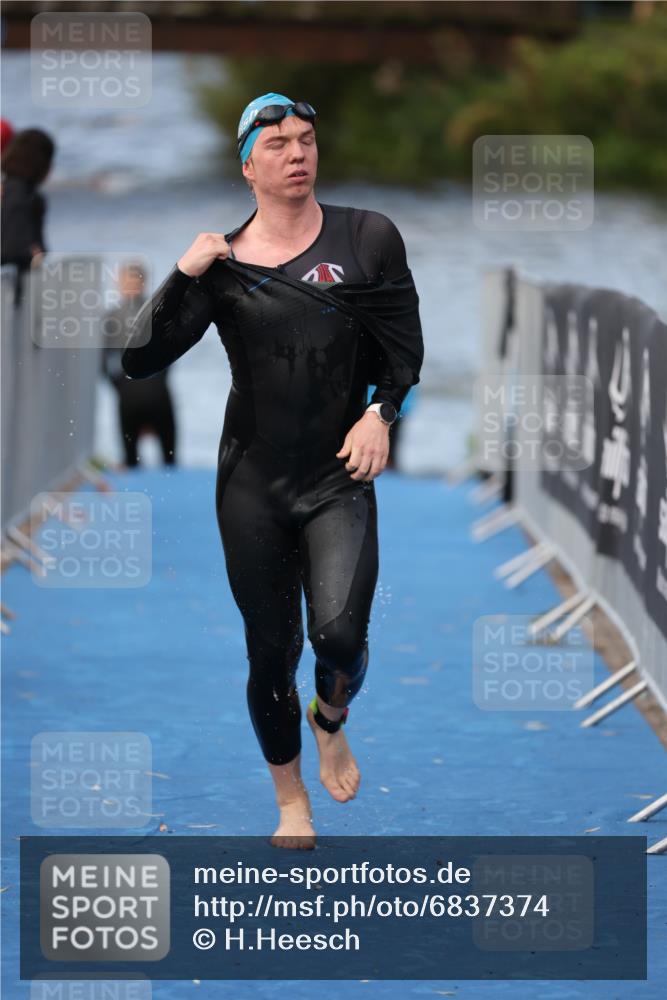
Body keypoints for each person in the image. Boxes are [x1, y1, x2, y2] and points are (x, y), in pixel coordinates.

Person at [122, 93, 423, 849]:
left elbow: (403, 350)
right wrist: (182, 276)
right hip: (251, 482)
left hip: (335, 477)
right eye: (279, 144)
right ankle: (290, 801)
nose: (297, 154)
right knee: (270, 651)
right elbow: (138, 358)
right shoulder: (221, 266)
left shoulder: (368, 237)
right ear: (248, 166)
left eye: (306, 140)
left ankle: (331, 716)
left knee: (341, 637)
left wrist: (379, 414)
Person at [101, 262, 177, 467]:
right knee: (132, 460)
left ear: (143, 284)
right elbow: (102, 361)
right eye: (128, 281)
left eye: (135, 281)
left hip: (153, 393)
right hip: (133, 394)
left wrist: (119, 386)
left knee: (169, 460)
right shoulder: (112, 318)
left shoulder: (156, 311)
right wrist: (119, 387)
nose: (131, 286)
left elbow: (170, 351)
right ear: (119, 284)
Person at [1, 127, 55, 304]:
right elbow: (14, 248)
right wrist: (33, 253)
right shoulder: (22, 196)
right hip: (13, 295)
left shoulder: (10, 190)